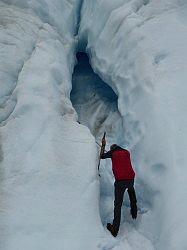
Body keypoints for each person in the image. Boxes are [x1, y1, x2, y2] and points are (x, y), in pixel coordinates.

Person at [100, 139, 137, 237]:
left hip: (120, 182)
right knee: (131, 192)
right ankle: (134, 211)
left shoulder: (112, 153)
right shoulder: (126, 152)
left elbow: (102, 156)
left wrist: (104, 148)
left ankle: (114, 229)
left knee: (118, 205)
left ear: (113, 148)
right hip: (131, 179)